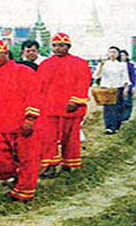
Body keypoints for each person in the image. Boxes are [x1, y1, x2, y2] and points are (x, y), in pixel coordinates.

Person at [0, 39, 41, 201]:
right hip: (2, 124)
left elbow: (34, 95)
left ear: (6, 54)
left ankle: (25, 191)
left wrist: (30, 119)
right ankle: (14, 176)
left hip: (23, 123)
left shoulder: (25, 71)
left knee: (27, 158)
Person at [37, 33, 91, 177]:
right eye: (54, 45)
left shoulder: (80, 63)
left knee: (70, 139)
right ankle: (51, 166)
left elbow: (83, 84)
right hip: (49, 108)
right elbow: (39, 87)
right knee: (48, 139)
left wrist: (76, 101)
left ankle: (69, 164)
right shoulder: (45, 64)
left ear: (68, 47)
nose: (57, 48)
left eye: (61, 45)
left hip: (70, 108)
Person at [93, 46, 130, 134]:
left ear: (118, 54)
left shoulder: (122, 65)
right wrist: (101, 65)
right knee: (108, 108)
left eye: (114, 52)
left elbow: (125, 77)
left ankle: (116, 125)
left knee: (117, 107)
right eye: (111, 52)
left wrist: (126, 89)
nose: (112, 54)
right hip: (106, 87)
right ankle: (109, 126)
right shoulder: (104, 64)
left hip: (118, 87)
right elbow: (97, 76)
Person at [119, 50, 136, 122]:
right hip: (118, 84)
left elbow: (133, 76)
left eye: (124, 55)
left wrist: (133, 86)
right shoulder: (117, 65)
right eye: (121, 55)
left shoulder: (130, 65)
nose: (122, 57)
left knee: (128, 101)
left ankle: (126, 116)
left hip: (128, 84)